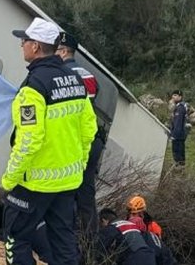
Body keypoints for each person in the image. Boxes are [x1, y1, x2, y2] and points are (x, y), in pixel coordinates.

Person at [1, 18, 97, 265]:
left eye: (24, 40)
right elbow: (89, 129)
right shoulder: (76, 81)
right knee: (63, 244)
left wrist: (10, 178)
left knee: (15, 238)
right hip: (67, 181)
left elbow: (29, 139)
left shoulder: (33, 87)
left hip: (34, 183)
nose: (21, 45)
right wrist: (79, 164)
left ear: (35, 47)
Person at [54, 30, 115, 237]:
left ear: (63, 51)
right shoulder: (87, 75)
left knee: (64, 189)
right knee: (85, 193)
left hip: (75, 139)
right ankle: (90, 240)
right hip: (92, 139)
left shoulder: (59, 72)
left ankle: (61, 234)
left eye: (55, 50)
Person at [127, 197, 175, 265]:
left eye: (135, 214)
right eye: (131, 214)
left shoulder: (153, 226)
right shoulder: (125, 225)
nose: (132, 217)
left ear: (142, 213)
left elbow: (159, 249)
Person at [170, 90, 188, 166]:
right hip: (181, 134)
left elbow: (178, 122)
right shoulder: (179, 106)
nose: (173, 97)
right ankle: (181, 166)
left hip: (178, 135)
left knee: (177, 152)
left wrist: (174, 135)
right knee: (180, 152)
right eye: (173, 95)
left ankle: (179, 168)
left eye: (175, 95)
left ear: (180, 97)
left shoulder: (180, 108)